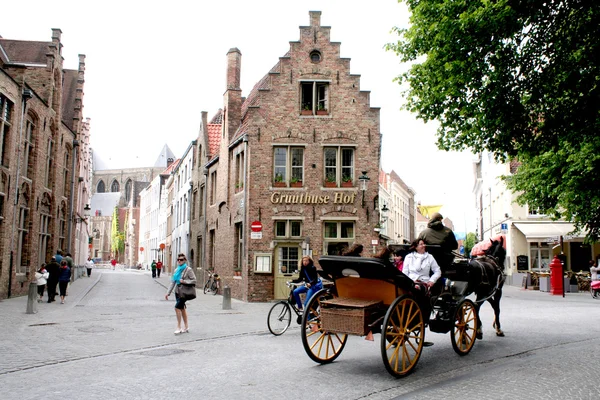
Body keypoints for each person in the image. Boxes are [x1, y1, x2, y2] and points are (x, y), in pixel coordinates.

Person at [165, 254, 197, 334]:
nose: (179, 261)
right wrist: (168, 293)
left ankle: (179, 327)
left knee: (177, 307)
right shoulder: (176, 270)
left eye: (181, 259)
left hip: (184, 292)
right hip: (177, 291)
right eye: (178, 259)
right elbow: (173, 282)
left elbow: (194, 280)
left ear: (185, 260)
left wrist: (185, 281)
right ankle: (186, 327)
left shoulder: (188, 269)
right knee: (182, 308)